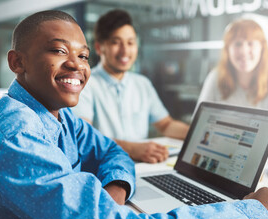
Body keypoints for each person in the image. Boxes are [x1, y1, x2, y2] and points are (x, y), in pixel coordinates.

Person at [0, 10, 268, 219]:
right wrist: (253, 213)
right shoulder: (19, 139)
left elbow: (112, 152)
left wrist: (113, 192)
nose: (76, 64)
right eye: (59, 50)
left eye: (83, 55)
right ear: (17, 62)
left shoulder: (59, 117)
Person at [72, 9, 189, 163]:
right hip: (102, 168)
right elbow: (83, 137)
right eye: (116, 42)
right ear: (100, 48)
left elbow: (166, 125)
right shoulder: (85, 83)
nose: (125, 50)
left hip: (142, 165)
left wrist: (197, 134)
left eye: (130, 42)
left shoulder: (142, 84)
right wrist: (132, 149)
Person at [197, 18, 268, 148]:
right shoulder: (215, 78)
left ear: (262, 48)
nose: (244, 51)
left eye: (251, 43)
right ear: (227, 49)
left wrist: (226, 136)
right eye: (238, 44)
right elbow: (199, 128)